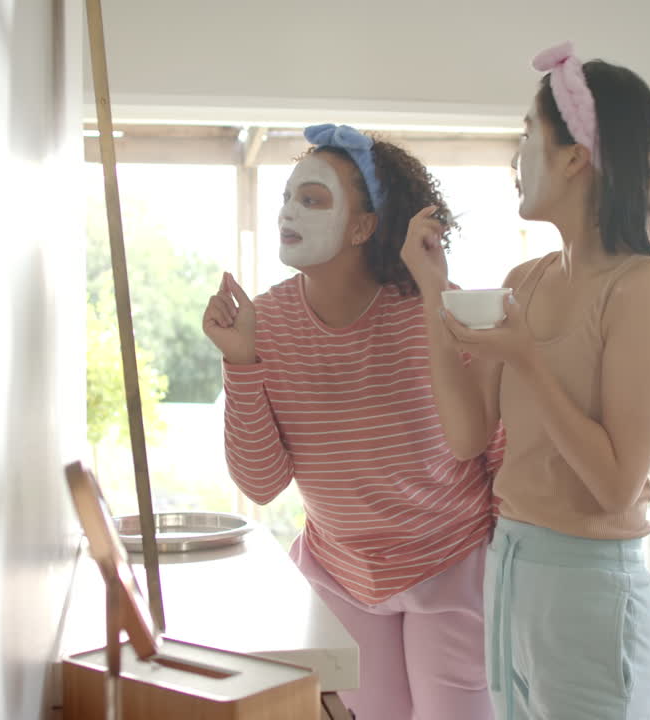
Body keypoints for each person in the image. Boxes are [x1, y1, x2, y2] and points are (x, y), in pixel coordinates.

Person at [401, 42, 650, 720]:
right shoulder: (524, 282)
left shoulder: (639, 288)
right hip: (512, 565)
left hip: (591, 585)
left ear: (575, 157)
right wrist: (432, 289)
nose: (515, 157)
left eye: (528, 136)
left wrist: (528, 360)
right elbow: (469, 435)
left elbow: (615, 486)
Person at [202, 123, 500, 719]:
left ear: (364, 227)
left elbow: (495, 446)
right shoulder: (268, 322)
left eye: (311, 198)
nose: (288, 211)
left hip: (453, 563)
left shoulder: (437, 309)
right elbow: (262, 484)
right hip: (342, 572)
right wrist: (240, 361)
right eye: (287, 196)